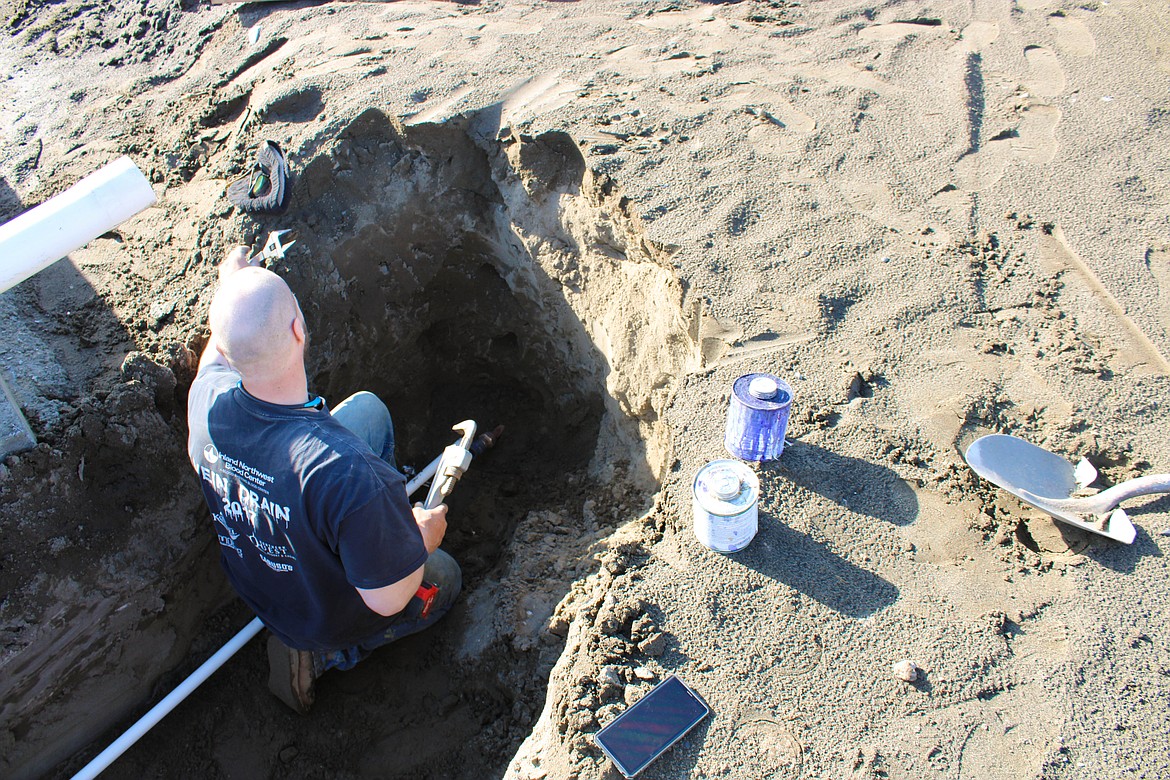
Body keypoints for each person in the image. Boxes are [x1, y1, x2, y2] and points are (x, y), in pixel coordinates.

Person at [186, 245, 461, 713]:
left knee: (367, 411)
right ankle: (328, 655)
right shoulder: (348, 474)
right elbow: (389, 598)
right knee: (446, 579)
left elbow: (222, 344)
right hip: (317, 614)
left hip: (262, 573)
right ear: (299, 329)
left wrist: (232, 287)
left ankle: (376, 534)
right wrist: (424, 538)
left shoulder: (207, 401)